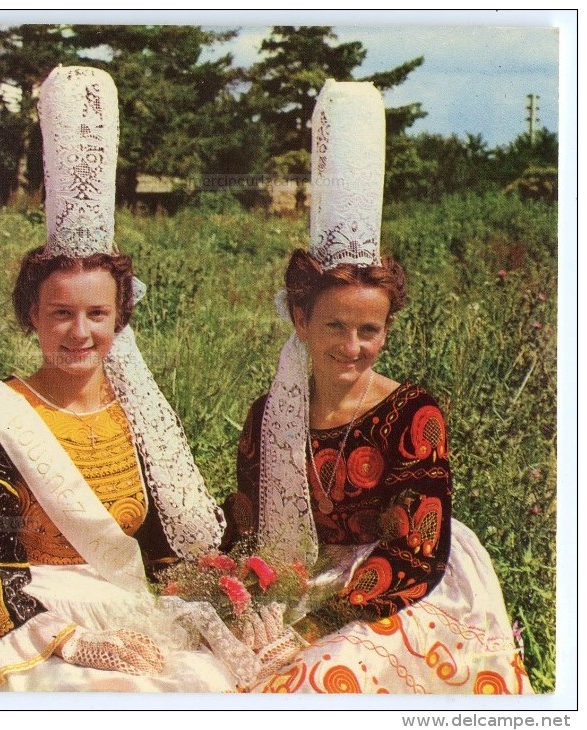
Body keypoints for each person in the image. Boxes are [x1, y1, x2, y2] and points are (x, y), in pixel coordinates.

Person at [0, 66, 247, 693]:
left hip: (128, 609)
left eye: (97, 314)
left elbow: (171, 545)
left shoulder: (135, 414)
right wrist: (71, 640)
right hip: (31, 625)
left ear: (120, 320)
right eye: (60, 313)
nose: (79, 332)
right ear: (32, 317)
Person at [221, 81, 531, 694]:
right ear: (301, 321)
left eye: (370, 329)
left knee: (321, 676)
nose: (352, 346)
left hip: (406, 585)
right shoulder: (272, 415)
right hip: (306, 581)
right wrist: (237, 597)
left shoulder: (412, 413)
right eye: (334, 325)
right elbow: (248, 528)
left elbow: (417, 551)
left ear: (387, 329)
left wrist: (322, 623)